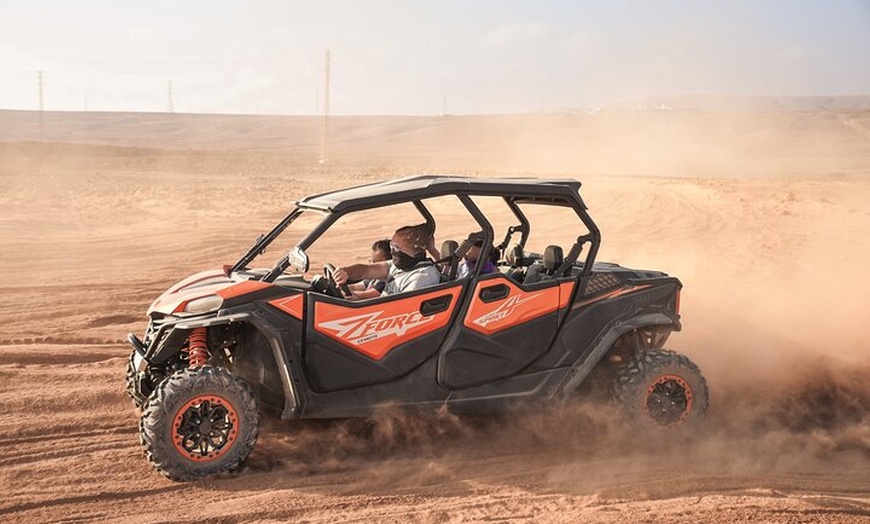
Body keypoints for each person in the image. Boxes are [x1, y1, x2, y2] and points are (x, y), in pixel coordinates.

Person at [334, 224, 441, 299]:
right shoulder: (399, 266)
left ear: (415, 249)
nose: (391, 251)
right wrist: (344, 271)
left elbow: (404, 309)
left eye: (396, 247)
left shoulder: (421, 277)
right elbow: (366, 270)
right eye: (391, 246)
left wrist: (358, 298)